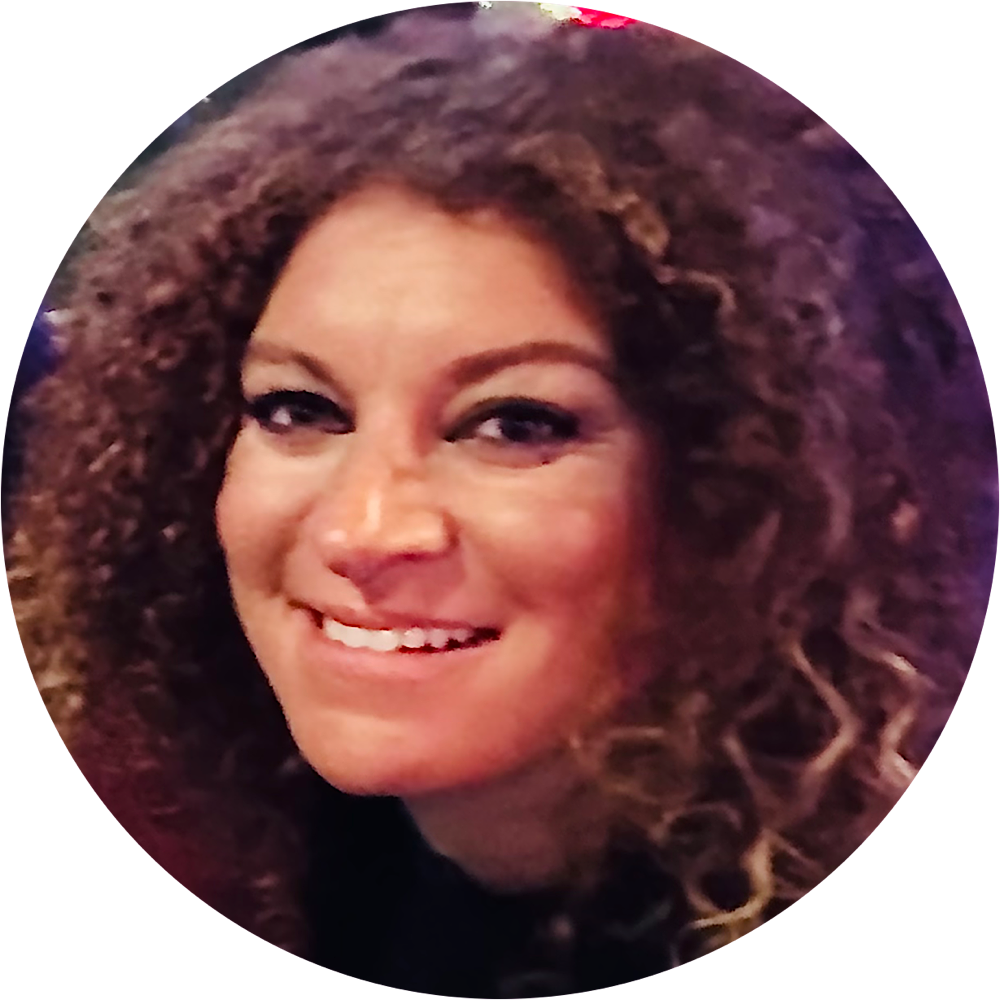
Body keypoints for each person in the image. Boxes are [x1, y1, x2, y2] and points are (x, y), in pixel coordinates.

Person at [5, 5, 996, 996]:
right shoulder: (234, 853)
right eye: (297, 408)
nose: (362, 528)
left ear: (745, 494)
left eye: (515, 424)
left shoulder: (817, 930)